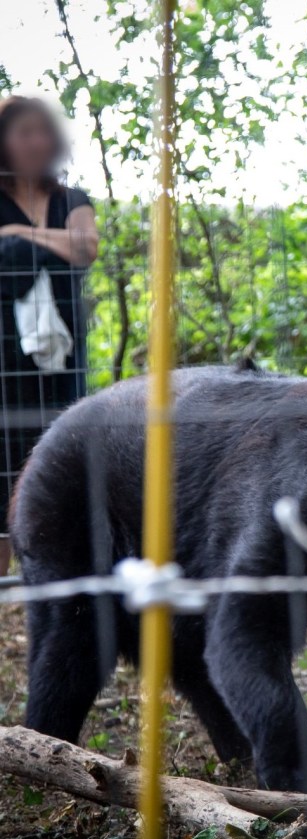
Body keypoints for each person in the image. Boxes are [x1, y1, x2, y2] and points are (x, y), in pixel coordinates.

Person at [0, 96, 98, 576]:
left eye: (43, 131)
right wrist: (46, 240)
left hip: (64, 360)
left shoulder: (70, 198)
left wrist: (20, 233)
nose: (35, 141)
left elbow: (86, 247)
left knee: (60, 468)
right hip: (4, 364)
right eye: (22, 132)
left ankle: (53, 589)